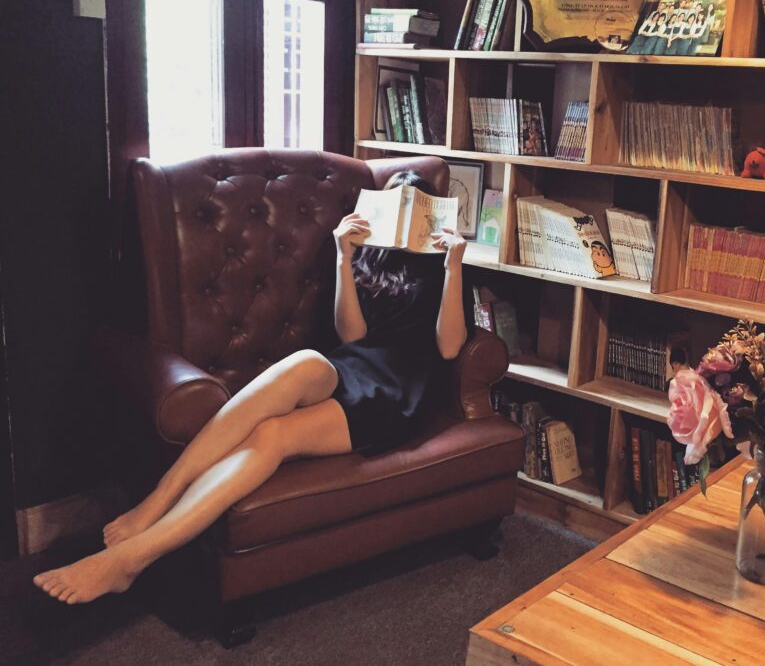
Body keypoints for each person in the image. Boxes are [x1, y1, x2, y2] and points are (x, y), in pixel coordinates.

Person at [33, 170, 469, 605]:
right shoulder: (367, 257)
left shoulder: (443, 266)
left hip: (394, 392)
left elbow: (449, 348)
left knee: (272, 435)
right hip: (352, 365)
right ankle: (159, 497)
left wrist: (453, 268)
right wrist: (343, 254)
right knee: (305, 362)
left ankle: (132, 559)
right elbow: (352, 337)